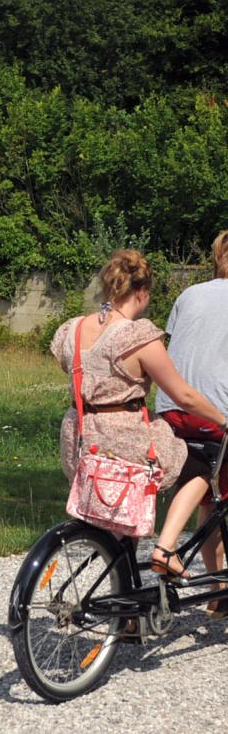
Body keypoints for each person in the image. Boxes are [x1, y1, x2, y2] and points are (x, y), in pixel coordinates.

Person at [50, 248, 228, 581]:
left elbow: (73, 366)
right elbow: (185, 396)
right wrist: (223, 420)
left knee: (120, 524)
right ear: (142, 292)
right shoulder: (139, 336)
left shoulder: (73, 329)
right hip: (124, 438)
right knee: (199, 464)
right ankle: (164, 550)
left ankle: (129, 617)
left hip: (81, 436)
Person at [155, 230, 228, 607]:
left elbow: (180, 346)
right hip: (214, 412)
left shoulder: (189, 294)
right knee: (211, 486)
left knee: (211, 501)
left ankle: (218, 594)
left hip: (170, 408)